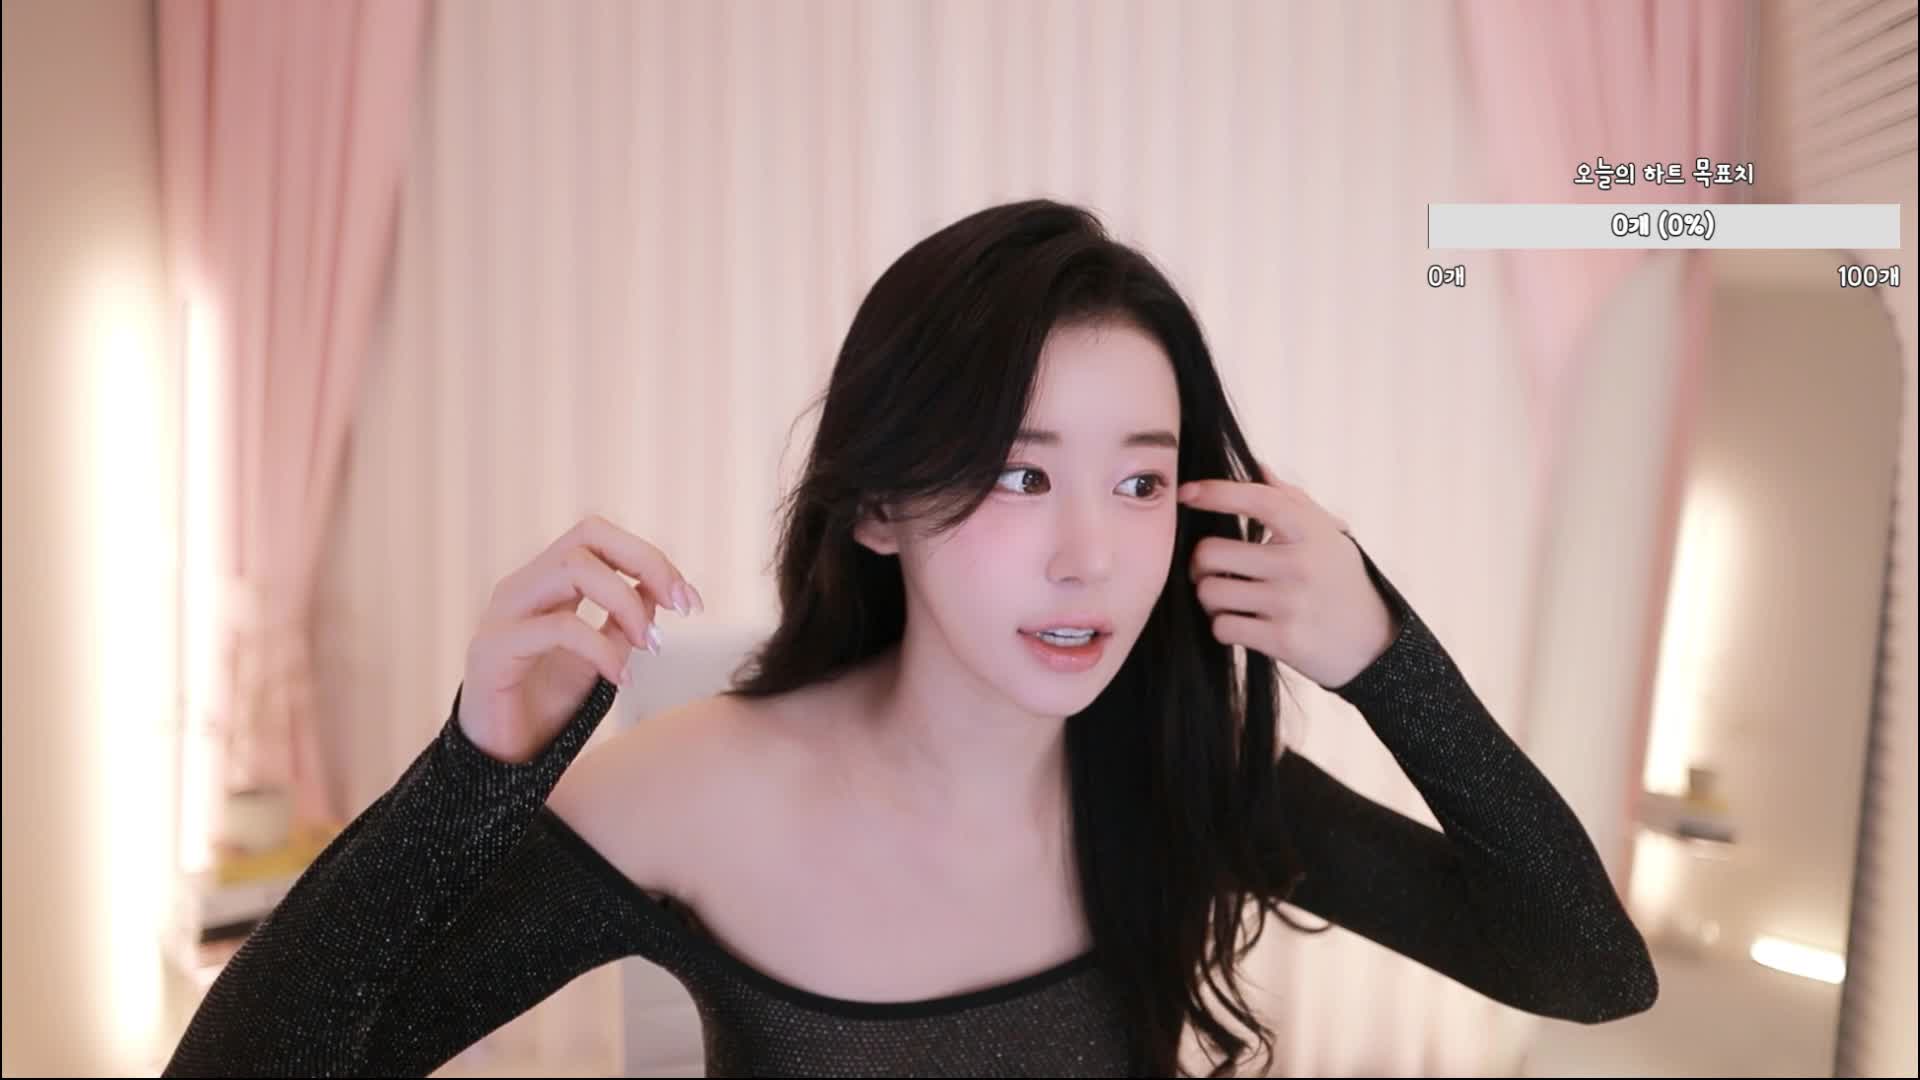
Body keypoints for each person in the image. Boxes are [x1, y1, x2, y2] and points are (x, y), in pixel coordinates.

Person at [162, 199, 1657, 1079]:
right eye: (1020, 475)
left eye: (1141, 481)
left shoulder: (1184, 781)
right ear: (879, 506)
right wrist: (475, 773)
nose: (1091, 556)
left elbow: (1588, 969)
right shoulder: (688, 795)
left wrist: (1388, 656)